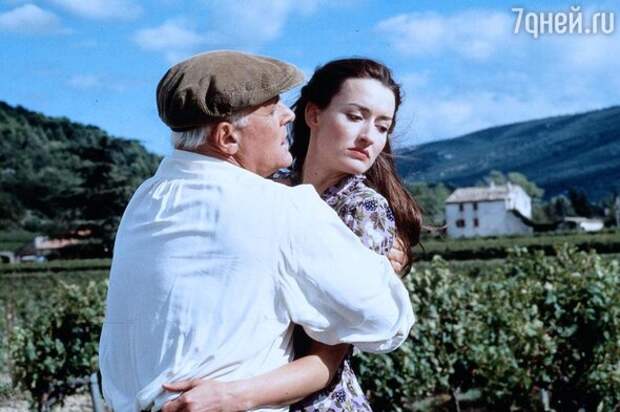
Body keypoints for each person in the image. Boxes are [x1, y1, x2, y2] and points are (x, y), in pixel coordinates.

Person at [98, 50, 415, 412]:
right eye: (271, 108)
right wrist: (380, 273)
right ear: (227, 138)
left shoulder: (144, 200)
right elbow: (384, 318)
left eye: (382, 126)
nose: (287, 115)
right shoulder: (281, 205)